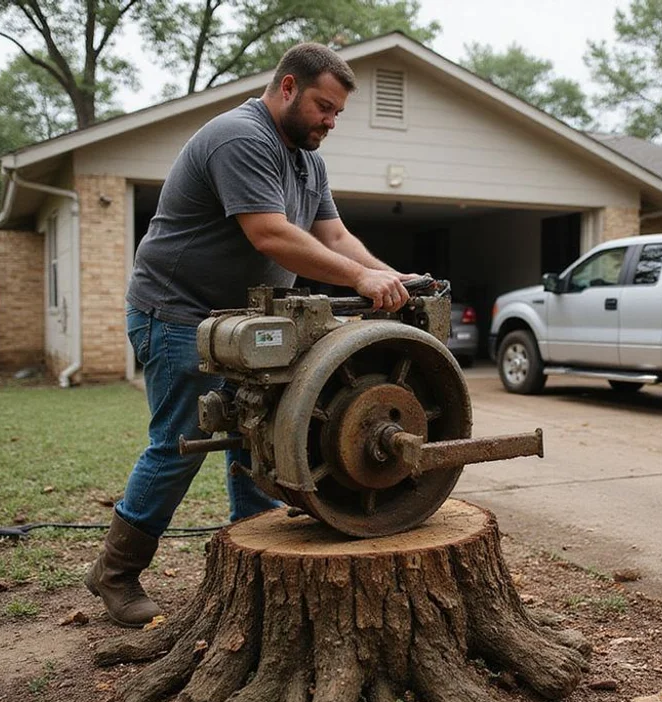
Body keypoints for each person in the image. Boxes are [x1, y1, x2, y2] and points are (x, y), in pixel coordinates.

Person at [86, 42, 416, 627]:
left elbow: (334, 238)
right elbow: (270, 235)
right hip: (177, 314)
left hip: (245, 320)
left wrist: (386, 275)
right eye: (323, 106)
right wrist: (364, 278)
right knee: (180, 442)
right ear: (287, 87)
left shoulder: (306, 158)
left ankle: (253, 552)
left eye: (337, 112)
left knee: (258, 428)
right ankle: (115, 573)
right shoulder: (241, 137)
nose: (330, 122)